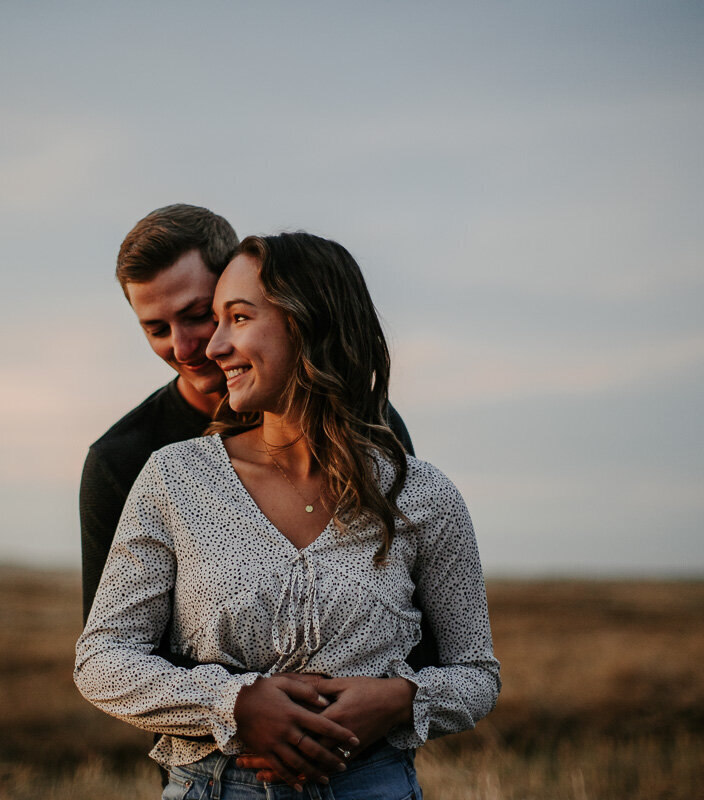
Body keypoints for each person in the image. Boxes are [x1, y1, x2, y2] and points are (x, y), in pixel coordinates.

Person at [75, 232, 500, 798]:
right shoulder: (170, 478)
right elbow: (102, 660)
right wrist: (236, 705)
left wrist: (401, 699)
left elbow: (477, 673)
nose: (209, 346)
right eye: (213, 320)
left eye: (237, 318)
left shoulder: (421, 492)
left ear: (308, 322)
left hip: (375, 785)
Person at [79, 204, 416, 625]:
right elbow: (112, 653)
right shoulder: (120, 460)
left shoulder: (367, 420)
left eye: (198, 315)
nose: (184, 348)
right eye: (157, 330)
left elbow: (410, 603)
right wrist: (246, 691)